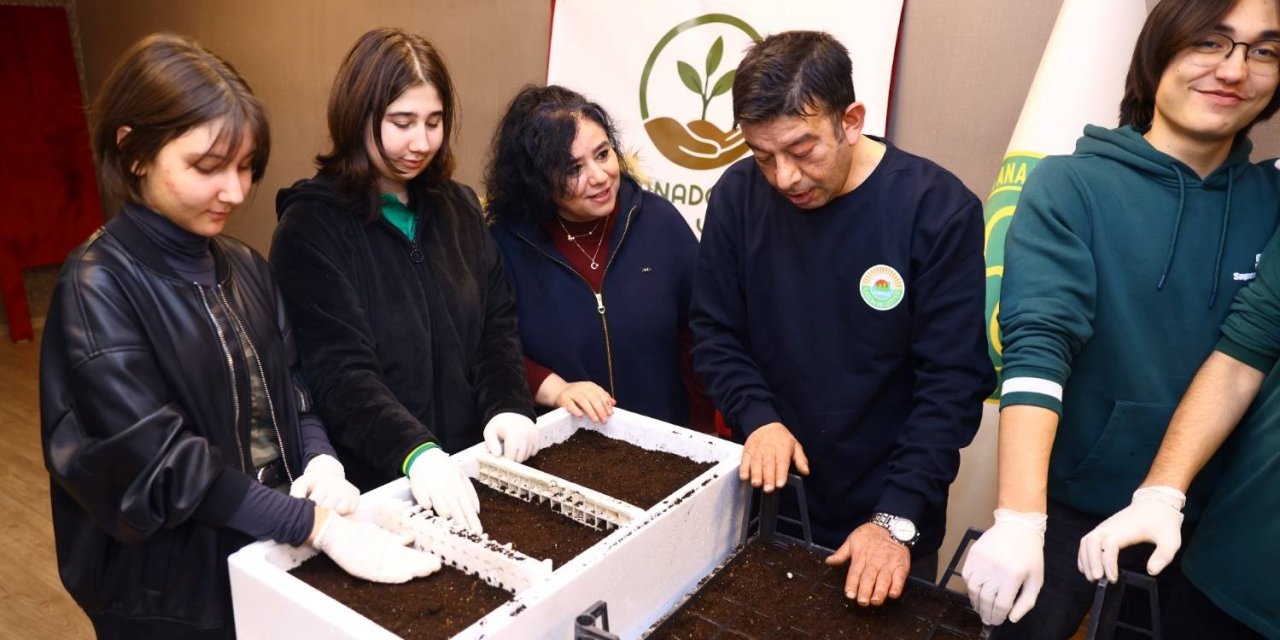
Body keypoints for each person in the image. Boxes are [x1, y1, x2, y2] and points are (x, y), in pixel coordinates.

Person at [39, 33, 440, 640]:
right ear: (135, 152)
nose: (235, 191)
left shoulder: (243, 265)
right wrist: (315, 524)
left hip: (262, 555)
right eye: (207, 168)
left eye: (246, 167)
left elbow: (294, 387)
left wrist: (322, 462)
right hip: (170, 596)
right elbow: (163, 465)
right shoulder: (97, 288)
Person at [960, 0, 1280, 636]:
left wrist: (1165, 497)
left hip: (1201, 525)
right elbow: (1038, 349)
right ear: (1161, 49)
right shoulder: (1069, 186)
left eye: (1264, 51)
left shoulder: (1271, 202)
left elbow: (1248, 356)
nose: (1235, 70)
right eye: (1212, 42)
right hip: (1065, 511)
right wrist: (1022, 519)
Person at [691, 31, 994, 608]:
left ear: (851, 120)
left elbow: (951, 383)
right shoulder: (736, 196)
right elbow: (715, 334)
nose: (783, 178)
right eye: (762, 156)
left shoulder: (936, 210)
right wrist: (758, 419)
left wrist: (896, 517)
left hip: (890, 512)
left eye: (803, 151)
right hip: (773, 499)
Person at [270, 28, 538, 535]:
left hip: (473, 466)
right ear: (357, 118)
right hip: (377, 483)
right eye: (401, 122)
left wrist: (509, 406)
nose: (421, 143)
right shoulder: (311, 229)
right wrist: (417, 454)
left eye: (434, 123)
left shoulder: (458, 208)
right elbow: (339, 372)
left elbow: (494, 327)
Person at [484, 85, 715, 432]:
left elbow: (699, 336)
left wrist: (703, 435)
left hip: (666, 448)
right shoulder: (506, 244)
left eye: (603, 154)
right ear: (536, 181)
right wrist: (556, 389)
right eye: (573, 168)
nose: (599, 176)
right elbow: (490, 350)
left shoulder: (658, 221)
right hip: (562, 454)